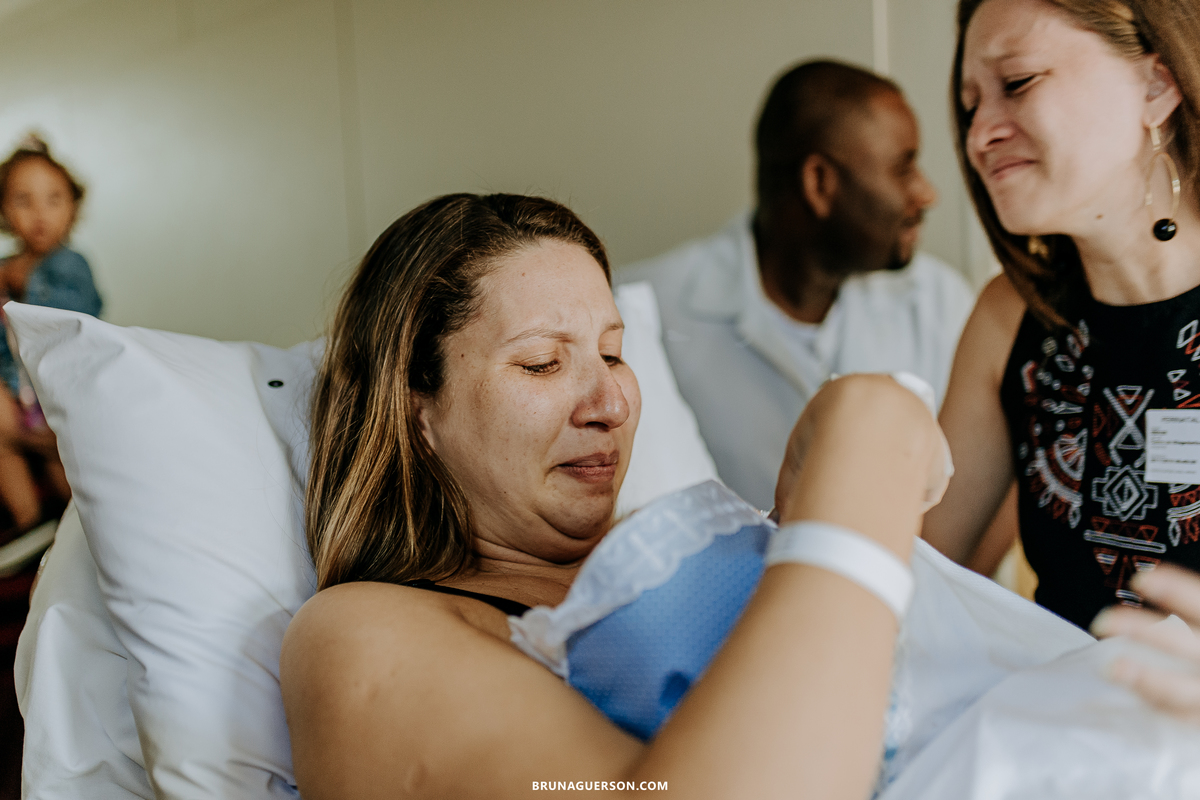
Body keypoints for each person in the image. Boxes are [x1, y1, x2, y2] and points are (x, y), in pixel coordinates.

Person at [280, 193, 946, 798]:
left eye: (613, 355)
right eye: (541, 363)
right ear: (415, 410)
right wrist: (866, 433)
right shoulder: (361, 638)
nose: (611, 405)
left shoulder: (691, 553)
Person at [923, 0, 1200, 633]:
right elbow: (925, 580)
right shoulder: (1009, 318)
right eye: (970, 106)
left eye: (1017, 83)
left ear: (1156, 86)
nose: (978, 135)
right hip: (1049, 696)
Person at [619, 60, 974, 510]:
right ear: (819, 182)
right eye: (903, 169)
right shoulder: (643, 313)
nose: (926, 193)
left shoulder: (943, 304)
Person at [0, 135, 102, 533]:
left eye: (53, 200)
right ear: (5, 210)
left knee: (65, 464)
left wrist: (25, 284)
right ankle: (26, 522)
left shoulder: (70, 264)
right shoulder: (6, 266)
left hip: (61, 390)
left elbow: (73, 317)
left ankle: (77, 528)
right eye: (23, 201)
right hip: (18, 391)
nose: (39, 214)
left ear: (72, 208)